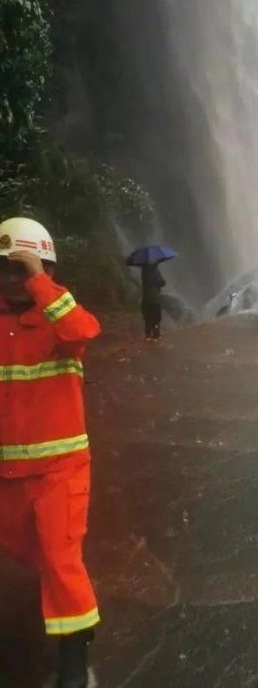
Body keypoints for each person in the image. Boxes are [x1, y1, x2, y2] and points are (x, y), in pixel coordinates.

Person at [0, 217, 100, 687]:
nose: (11, 280)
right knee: (28, 553)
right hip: (8, 474)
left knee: (62, 563)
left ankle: (74, 661)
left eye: (18, 269)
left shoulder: (62, 322)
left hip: (61, 470)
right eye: (5, 269)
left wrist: (38, 279)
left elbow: (85, 329)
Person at [141, 263, 165, 340]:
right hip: (155, 299)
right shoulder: (155, 272)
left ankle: (147, 335)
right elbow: (162, 282)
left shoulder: (144, 271)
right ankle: (156, 334)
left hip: (145, 299)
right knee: (156, 318)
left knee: (147, 318)